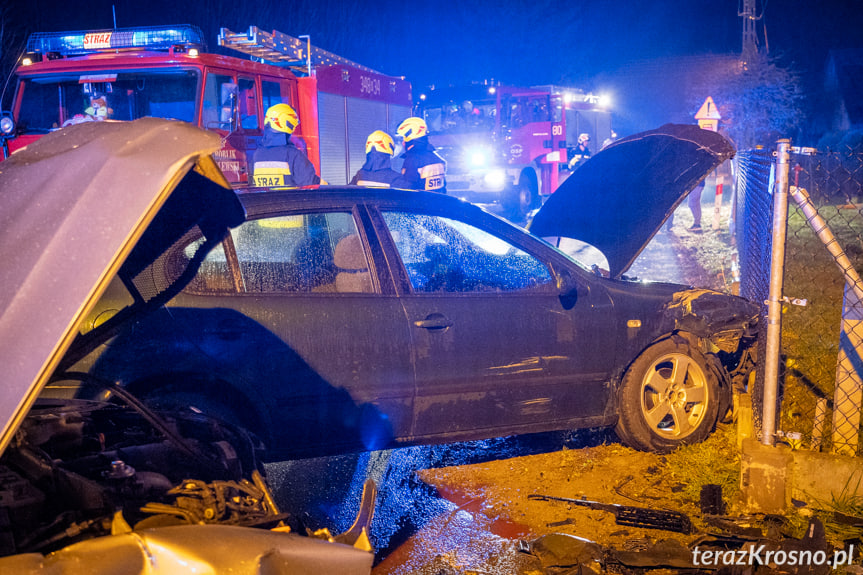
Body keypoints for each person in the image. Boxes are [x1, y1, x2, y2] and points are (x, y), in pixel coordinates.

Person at [253, 103, 321, 187]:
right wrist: (329, 187)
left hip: (265, 200)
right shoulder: (292, 154)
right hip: (289, 200)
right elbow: (311, 184)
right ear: (287, 123)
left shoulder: (258, 154)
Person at [396, 117, 447, 193]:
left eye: (403, 138)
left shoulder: (413, 160)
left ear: (409, 138)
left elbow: (407, 190)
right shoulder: (436, 158)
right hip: (438, 203)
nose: (402, 142)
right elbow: (443, 188)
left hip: (420, 204)